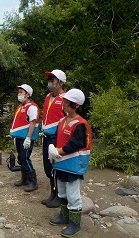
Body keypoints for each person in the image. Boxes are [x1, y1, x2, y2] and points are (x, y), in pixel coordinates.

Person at [48, 89, 92, 237]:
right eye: (64, 101)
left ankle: (75, 224)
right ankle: (64, 216)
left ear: (76, 105)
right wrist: (51, 146)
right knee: (62, 191)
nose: (64, 104)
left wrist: (58, 151)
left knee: (73, 195)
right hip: (61, 164)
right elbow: (55, 136)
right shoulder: (62, 121)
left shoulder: (80, 124)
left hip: (73, 166)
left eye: (67, 102)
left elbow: (75, 144)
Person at [41, 69, 67, 208]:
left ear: (61, 82)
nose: (50, 82)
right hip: (46, 136)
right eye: (49, 79)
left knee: (56, 167)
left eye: (53, 79)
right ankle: (52, 193)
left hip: (57, 138)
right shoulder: (48, 96)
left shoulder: (66, 99)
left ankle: (59, 196)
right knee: (48, 166)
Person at [10, 84, 40, 192]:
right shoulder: (20, 107)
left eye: (21, 92)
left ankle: (33, 181)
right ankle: (24, 178)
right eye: (19, 92)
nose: (19, 95)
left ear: (28, 94)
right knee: (20, 158)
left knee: (25, 159)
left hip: (26, 138)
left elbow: (32, 122)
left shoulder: (31, 107)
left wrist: (28, 138)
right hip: (19, 137)